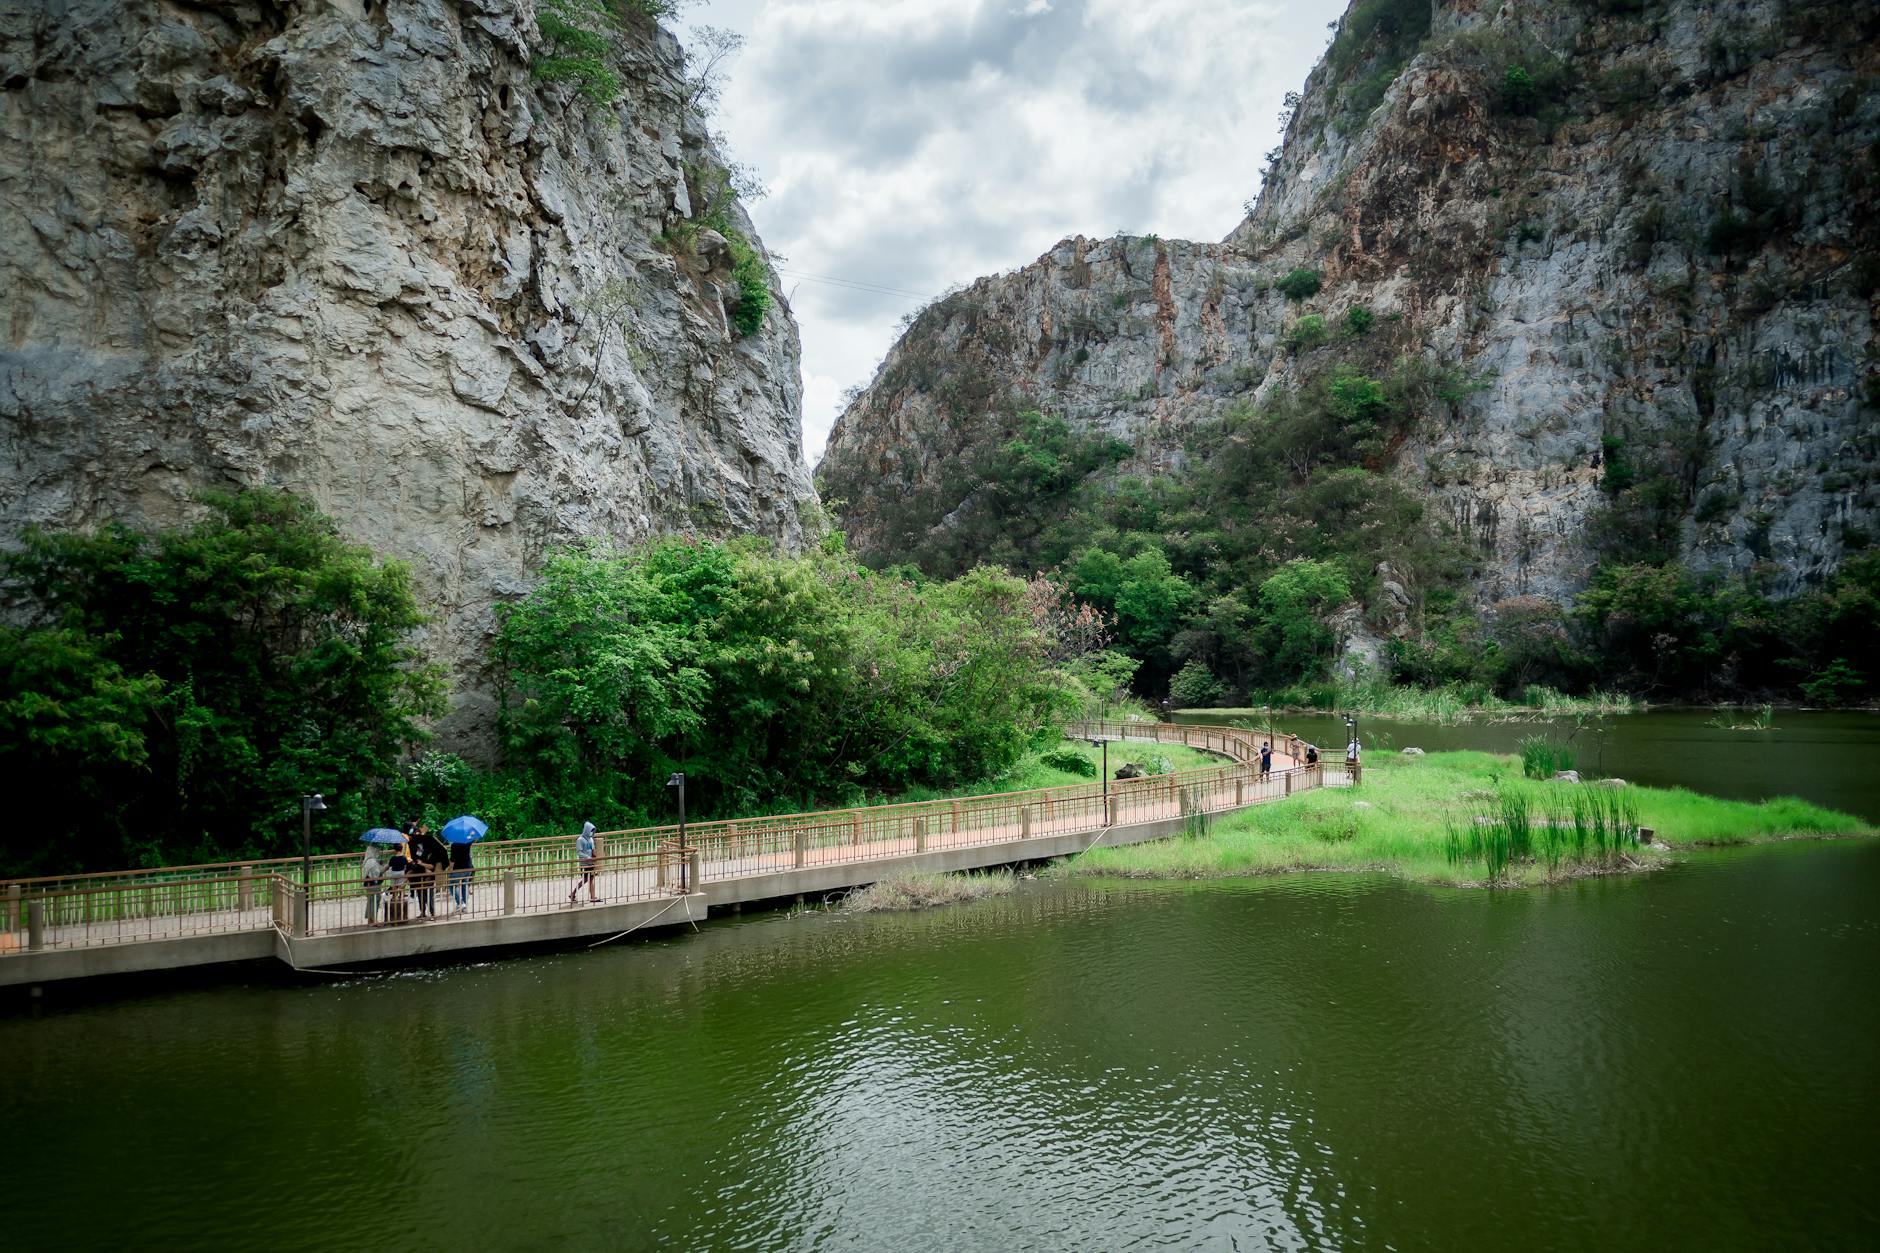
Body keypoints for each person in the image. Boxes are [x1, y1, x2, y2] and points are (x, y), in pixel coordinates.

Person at [409, 820, 448, 919]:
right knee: (420, 894)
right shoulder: (414, 847)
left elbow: (432, 867)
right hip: (418, 875)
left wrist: (422, 863)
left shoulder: (432, 850)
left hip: (428, 877)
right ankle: (422, 912)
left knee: (429, 895)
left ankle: (432, 913)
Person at [568, 821, 600, 905]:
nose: (592, 832)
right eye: (591, 830)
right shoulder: (580, 840)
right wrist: (587, 857)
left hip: (591, 862)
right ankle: (574, 893)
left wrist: (594, 855)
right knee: (586, 879)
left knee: (590, 879)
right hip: (584, 863)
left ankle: (591, 896)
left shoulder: (591, 839)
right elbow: (579, 852)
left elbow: (593, 849)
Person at [385, 841, 410, 924]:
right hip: (401, 873)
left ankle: (394, 899)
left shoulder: (392, 858)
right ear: (402, 849)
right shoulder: (404, 858)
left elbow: (389, 866)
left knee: (394, 887)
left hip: (394, 873)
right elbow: (406, 866)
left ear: (395, 850)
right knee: (401, 888)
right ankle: (401, 899)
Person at [448, 834, 474, 914]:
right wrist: (471, 834)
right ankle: (464, 907)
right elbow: (474, 838)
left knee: (451, 885)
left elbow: (452, 860)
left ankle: (460, 903)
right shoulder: (467, 842)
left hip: (458, 869)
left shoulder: (454, 845)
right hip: (468, 868)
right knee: (464, 884)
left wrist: (450, 869)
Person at [362, 843, 386, 927]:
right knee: (375, 900)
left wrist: (379, 864)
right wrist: (385, 867)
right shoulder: (372, 862)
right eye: (377, 851)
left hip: (368, 885)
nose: (378, 852)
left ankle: (370, 920)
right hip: (373, 885)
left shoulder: (368, 861)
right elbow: (377, 873)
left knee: (371, 901)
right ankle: (374, 920)